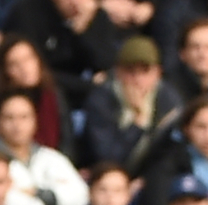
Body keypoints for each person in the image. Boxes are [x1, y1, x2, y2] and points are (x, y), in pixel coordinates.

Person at [76, 34, 181, 173]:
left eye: (145, 71)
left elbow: (170, 155)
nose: (137, 79)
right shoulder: (101, 100)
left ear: (157, 73)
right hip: (108, 175)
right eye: (130, 71)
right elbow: (107, 157)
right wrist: (137, 123)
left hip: (150, 177)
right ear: (118, 72)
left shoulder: (170, 102)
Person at [0, 35, 75, 155]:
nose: (24, 68)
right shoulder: (0, 101)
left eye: (28, 59)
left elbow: (67, 138)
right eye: (14, 64)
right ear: (5, 71)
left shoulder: (52, 93)